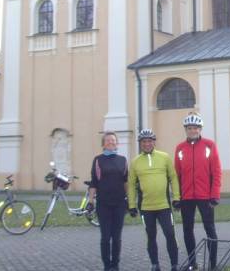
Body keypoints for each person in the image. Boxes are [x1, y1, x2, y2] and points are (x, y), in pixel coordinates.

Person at [174, 113, 222, 271]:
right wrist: (177, 197)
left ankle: (213, 264)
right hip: (186, 196)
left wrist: (215, 195)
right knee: (187, 230)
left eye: (195, 128)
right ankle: (192, 263)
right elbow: (176, 174)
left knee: (210, 229)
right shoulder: (180, 148)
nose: (192, 130)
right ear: (186, 130)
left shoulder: (209, 145)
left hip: (205, 196)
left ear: (200, 129)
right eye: (189, 128)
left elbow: (216, 172)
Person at [128, 129, 180, 271]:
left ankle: (174, 264)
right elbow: (131, 184)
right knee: (151, 236)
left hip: (164, 206)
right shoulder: (135, 162)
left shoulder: (164, 157)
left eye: (149, 141)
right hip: (146, 208)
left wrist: (176, 197)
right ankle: (155, 264)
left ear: (154, 142)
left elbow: (173, 178)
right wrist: (131, 205)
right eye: (144, 141)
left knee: (170, 234)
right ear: (140, 143)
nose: (147, 144)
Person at [87, 131, 128, 271]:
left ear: (117, 143)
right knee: (105, 237)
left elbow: (125, 181)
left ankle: (115, 265)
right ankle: (106, 265)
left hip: (119, 204)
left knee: (116, 237)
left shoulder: (123, 160)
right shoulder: (98, 160)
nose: (111, 142)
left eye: (113, 140)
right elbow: (94, 182)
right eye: (108, 140)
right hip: (103, 204)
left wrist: (130, 200)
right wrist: (90, 201)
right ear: (103, 144)